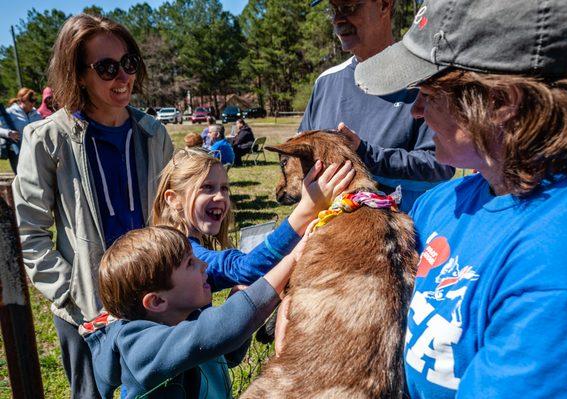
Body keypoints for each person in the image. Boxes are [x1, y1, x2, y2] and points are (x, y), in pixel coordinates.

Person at [354, 0, 567, 397]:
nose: (415, 111)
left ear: (500, 103)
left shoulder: (564, 266)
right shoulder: (445, 201)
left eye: (429, 93)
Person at [11, 14, 173, 399]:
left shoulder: (154, 133)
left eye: (129, 63)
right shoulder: (46, 139)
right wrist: (69, 292)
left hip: (152, 295)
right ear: (78, 74)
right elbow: (29, 232)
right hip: (84, 307)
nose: (123, 77)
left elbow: (172, 214)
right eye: (107, 68)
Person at [84, 225, 311, 398]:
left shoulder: (183, 319)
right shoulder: (140, 348)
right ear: (157, 301)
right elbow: (213, 333)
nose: (204, 266)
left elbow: (221, 355)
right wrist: (292, 260)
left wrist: (242, 311)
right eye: (190, 264)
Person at [300, 0, 454, 212]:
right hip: (325, 236)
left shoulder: (423, 79)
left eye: (349, 7)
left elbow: (440, 167)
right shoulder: (326, 82)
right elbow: (301, 159)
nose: (338, 19)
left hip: (396, 236)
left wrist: (365, 154)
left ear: (384, 5)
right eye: (332, 9)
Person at [152, 148, 354, 290]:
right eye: (207, 188)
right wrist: (304, 212)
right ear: (174, 199)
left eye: (224, 188)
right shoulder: (179, 252)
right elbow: (244, 268)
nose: (221, 197)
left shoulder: (180, 241)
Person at [0, 88, 42, 173]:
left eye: (34, 100)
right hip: (18, 153)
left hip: (35, 152)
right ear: (22, 100)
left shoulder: (36, 114)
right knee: (21, 178)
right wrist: (9, 133)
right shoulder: (9, 113)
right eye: (30, 100)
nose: (33, 103)